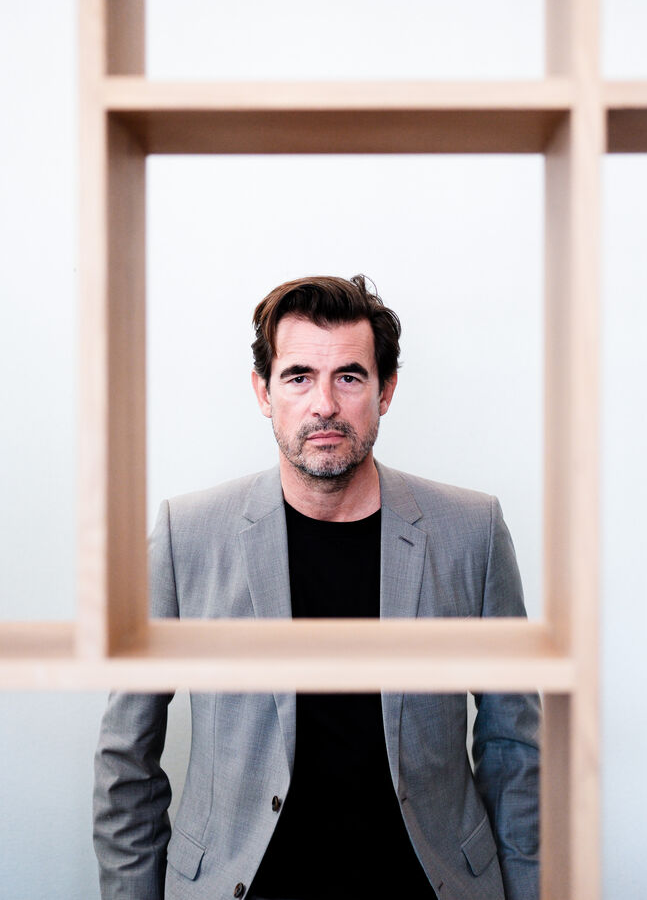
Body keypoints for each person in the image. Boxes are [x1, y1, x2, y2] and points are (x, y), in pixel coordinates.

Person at [93, 275, 540, 900]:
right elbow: (126, 758)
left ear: (386, 390)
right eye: (299, 376)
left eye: (349, 377)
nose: (324, 404)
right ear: (263, 391)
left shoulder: (473, 531)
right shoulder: (185, 535)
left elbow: (515, 752)